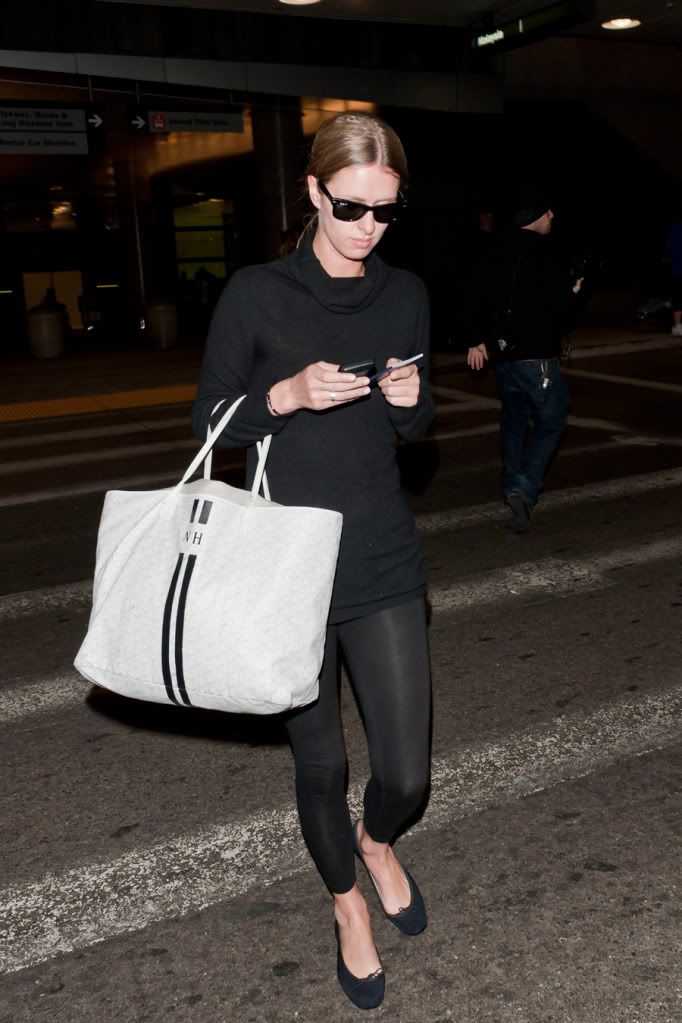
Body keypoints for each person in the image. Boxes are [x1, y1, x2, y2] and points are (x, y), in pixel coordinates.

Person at [192, 111, 434, 1010]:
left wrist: (411, 398)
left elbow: (416, 425)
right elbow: (210, 422)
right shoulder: (256, 294)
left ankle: (378, 840)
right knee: (322, 764)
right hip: (287, 567)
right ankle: (346, 904)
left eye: (385, 211)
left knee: (406, 773)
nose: (368, 227)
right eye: (350, 207)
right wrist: (286, 394)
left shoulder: (405, 293)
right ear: (312, 192)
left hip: (380, 553)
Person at [461, 185, 582, 531]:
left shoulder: (494, 249)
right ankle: (524, 486)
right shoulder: (543, 253)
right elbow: (559, 303)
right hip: (537, 357)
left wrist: (474, 340)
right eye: (547, 211)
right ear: (533, 216)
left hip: (503, 355)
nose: (552, 216)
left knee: (514, 420)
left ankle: (511, 483)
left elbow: (473, 295)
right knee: (552, 421)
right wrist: (573, 291)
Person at [665, 209, 682, 337]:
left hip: (678, 268)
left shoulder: (676, 229)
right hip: (679, 269)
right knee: (678, 298)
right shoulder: (677, 229)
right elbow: (670, 248)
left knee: (678, 298)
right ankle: (677, 325)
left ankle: (677, 325)